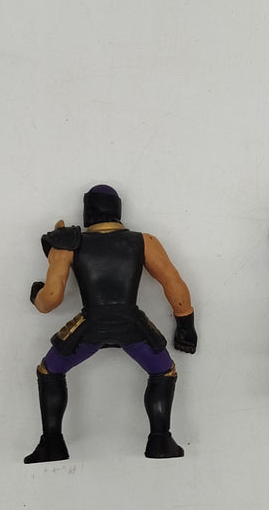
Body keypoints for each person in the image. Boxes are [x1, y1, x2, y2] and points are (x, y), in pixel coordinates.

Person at [25, 185, 198, 462]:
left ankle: (52, 443)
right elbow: (172, 282)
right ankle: (160, 440)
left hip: (89, 326)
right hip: (132, 325)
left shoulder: (68, 243)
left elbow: (52, 297)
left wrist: (37, 297)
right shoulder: (144, 241)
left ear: (88, 211)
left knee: (50, 371)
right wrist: (185, 323)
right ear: (118, 210)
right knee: (163, 371)